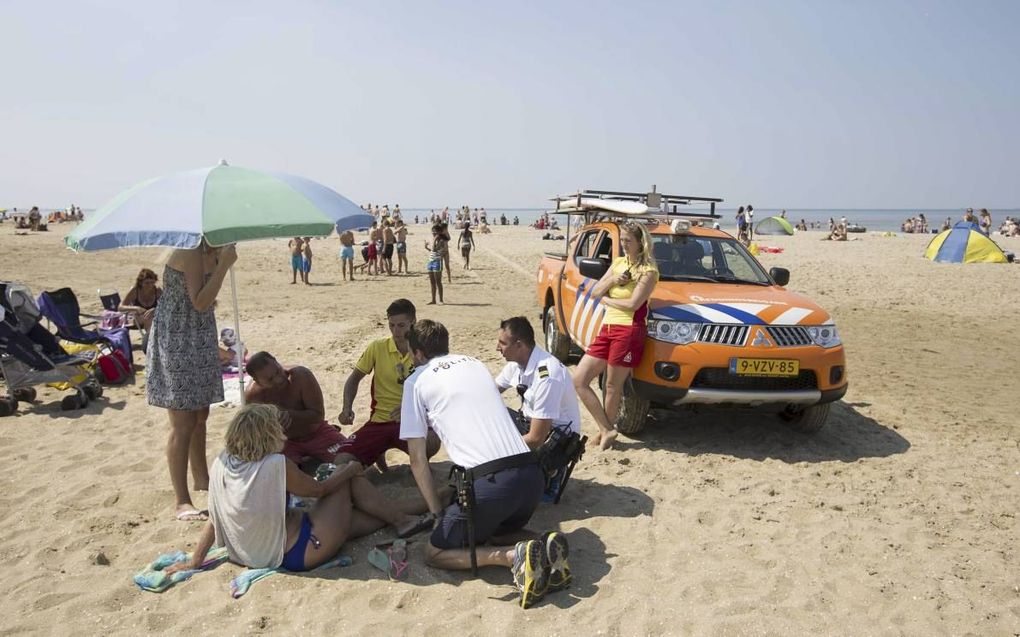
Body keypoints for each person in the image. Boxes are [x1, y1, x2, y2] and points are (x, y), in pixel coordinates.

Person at [399, 320, 572, 608]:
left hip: (493, 483)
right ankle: (544, 541)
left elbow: (417, 459)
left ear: (417, 354)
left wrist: (436, 512)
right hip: (531, 474)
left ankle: (510, 558)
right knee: (497, 531)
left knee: (433, 551)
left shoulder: (416, 381)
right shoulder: (475, 364)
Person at [165, 404, 433, 575]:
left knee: (373, 516)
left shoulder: (223, 461)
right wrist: (349, 470)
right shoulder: (275, 464)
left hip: (250, 551)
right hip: (298, 551)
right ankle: (405, 519)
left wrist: (195, 560)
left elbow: (215, 517)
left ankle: (432, 501)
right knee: (343, 474)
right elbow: (319, 491)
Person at [147, 240, 237, 521]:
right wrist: (223, 267)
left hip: (199, 334)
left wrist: (222, 260)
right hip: (177, 337)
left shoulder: (213, 249)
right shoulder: (189, 250)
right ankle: (181, 501)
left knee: (201, 413)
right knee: (183, 422)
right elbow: (199, 302)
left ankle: (202, 479)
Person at [572, 221, 659, 450]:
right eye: (621, 240)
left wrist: (607, 299)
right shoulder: (618, 263)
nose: (623, 244)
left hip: (629, 331)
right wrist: (613, 280)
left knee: (612, 385)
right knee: (579, 380)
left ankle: (604, 435)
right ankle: (606, 429)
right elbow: (595, 291)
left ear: (640, 243)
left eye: (628, 241)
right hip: (607, 328)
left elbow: (633, 304)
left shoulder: (648, 270)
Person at [338, 299, 440, 469]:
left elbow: (436, 390)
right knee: (342, 459)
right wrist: (346, 407)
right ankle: (379, 452)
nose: (395, 331)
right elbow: (354, 379)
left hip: (413, 421)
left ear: (413, 322)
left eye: (401, 325)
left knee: (430, 444)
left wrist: (411, 410)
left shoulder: (424, 350)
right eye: (391, 325)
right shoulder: (377, 347)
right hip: (380, 420)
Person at [119, 268, 163, 332]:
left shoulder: (158, 291)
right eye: (147, 283)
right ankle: (149, 339)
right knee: (148, 318)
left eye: (152, 282)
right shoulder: (135, 291)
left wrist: (155, 309)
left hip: (155, 317)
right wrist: (136, 308)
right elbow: (120, 307)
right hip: (138, 318)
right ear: (141, 282)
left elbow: (168, 306)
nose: (150, 285)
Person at [424, 226, 445, 305]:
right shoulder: (434, 240)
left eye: (435, 231)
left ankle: (441, 299)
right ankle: (433, 300)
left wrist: (435, 239)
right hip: (431, 261)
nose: (433, 233)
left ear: (439, 232)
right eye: (432, 231)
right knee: (432, 282)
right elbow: (432, 251)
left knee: (438, 281)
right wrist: (426, 247)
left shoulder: (441, 241)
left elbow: (434, 249)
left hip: (437, 262)